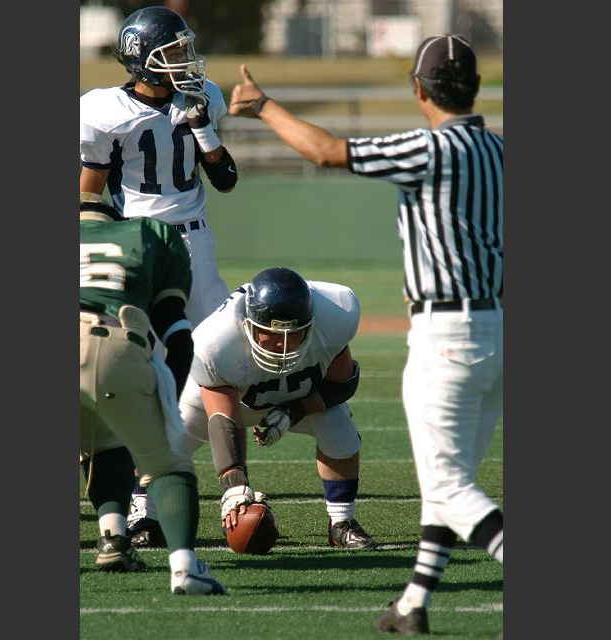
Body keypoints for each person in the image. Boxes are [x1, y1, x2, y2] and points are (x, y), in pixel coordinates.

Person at [229, 35, 503, 635]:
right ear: (476, 87)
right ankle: (414, 602)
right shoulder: (498, 150)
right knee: (446, 482)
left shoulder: (432, 148)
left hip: (448, 333)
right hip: (496, 328)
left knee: (451, 486)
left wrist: (264, 106)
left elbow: (327, 151)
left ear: (418, 88)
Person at [80, 5, 238, 542]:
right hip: (139, 241)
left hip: (195, 241)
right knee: (140, 362)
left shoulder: (203, 96)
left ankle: (230, 479)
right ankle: (141, 490)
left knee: (216, 357)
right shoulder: (105, 110)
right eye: (173, 52)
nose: (186, 59)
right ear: (141, 61)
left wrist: (204, 129)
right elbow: (89, 194)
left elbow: (226, 180)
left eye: (185, 48)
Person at [149, 267, 377, 549]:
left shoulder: (336, 313)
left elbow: (342, 385)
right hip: (228, 399)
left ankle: (342, 523)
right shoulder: (215, 342)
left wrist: (293, 412)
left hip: (296, 398)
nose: (282, 345)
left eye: (294, 334)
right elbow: (223, 419)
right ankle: (143, 515)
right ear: (248, 324)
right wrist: (234, 484)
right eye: (270, 334)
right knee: (165, 443)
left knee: (338, 424)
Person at [79, 195, 225, 595]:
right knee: (167, 462)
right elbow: (177, 334)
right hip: (111, 344)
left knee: (105, 442)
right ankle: (185, 569)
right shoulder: (147, 232)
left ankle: (113, 537)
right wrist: (167, 408)